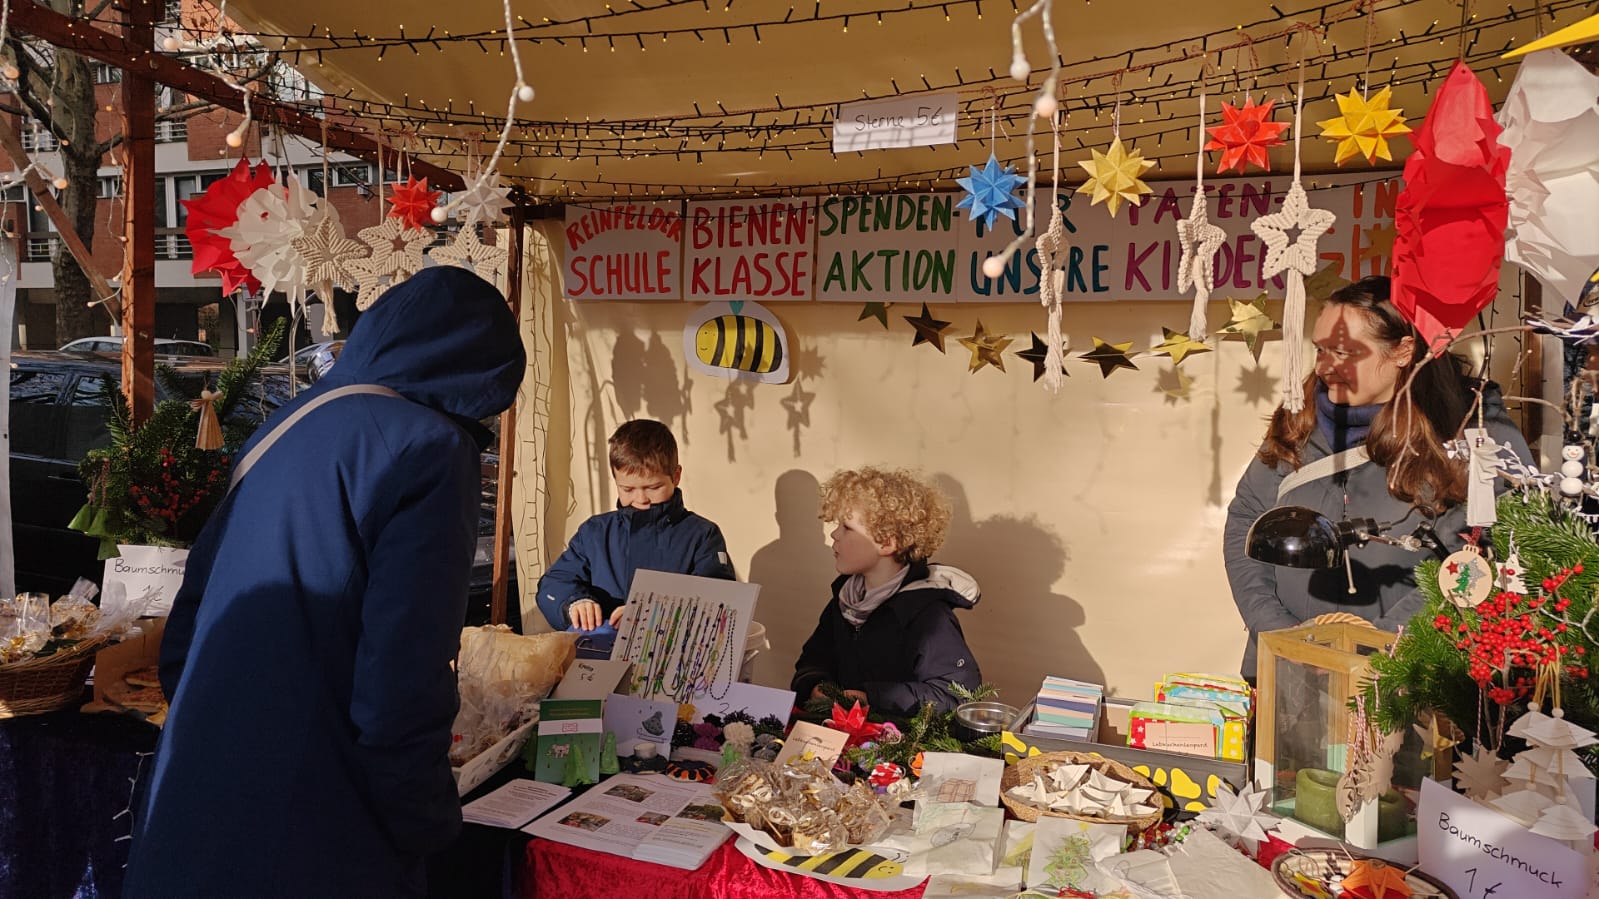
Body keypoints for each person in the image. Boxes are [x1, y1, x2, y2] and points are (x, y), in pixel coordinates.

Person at [124, 267, 525, 899]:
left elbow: (187, 632)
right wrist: (426, 822)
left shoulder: (282, 425)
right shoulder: (433, 447)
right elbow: (402, 676)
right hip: (319, 826)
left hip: (192, 804)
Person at [1223, 276, 1532, 681]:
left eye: (1344, 352)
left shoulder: (1471, 432)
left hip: (1405, 681)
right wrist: (1276, 629)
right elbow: (1247, 519)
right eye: (1320, 350)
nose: (1325, 367)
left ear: (1403, 350)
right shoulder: (1300, 419)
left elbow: (1482, 556)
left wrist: (1374, 645)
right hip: (1288, 671)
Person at [792, 466, 983, 717]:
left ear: (886, 542)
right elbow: (813, 659)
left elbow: (956, 695)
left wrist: (873, 698)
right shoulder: (845, 601)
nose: (834, 534)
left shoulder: (927, 615)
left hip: (898, 739)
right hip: (838, 731)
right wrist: (814, 685)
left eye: (847, 527)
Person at [536, 419, 735, 633]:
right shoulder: (595, 532)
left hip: (670, 649)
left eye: (653, 487)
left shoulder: (702, 535)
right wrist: (573, 602)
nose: (641, 499)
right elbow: (554, 582)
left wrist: (652, 613)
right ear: (616, 480)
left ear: (676, 476)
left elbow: (717, 596)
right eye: (628, 489)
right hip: (600, 649)